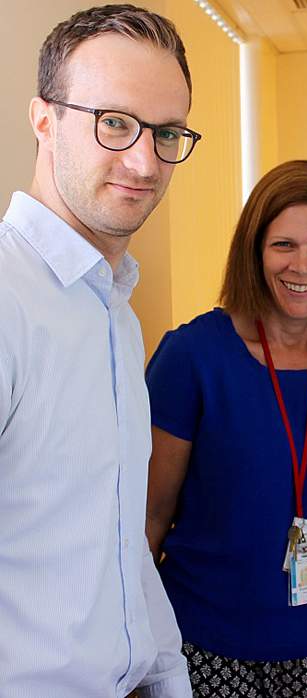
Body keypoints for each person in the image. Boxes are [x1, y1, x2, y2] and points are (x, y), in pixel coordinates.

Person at [0, 4, 201, 697]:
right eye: (113, 123)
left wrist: (168, 676)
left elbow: (117, 542)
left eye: (166, 132)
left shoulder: (112, 306)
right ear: (44, 119)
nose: (145, 161)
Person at [145, 159, 307, 697]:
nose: (303, 265)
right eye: (284, 245)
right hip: (199, 648)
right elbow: (149, 518)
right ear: (254, 249)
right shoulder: (193, 356)